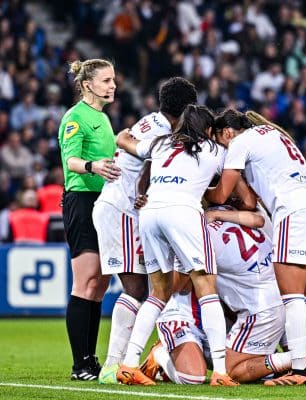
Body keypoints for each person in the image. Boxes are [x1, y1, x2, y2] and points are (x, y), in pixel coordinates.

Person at [139, 205, 306, 385]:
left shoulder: (201, 225)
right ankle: (160, 353)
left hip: (247, 307)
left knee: (239, 369)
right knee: (201, 375)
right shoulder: (240, 214)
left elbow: (183, 283)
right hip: (205, 309)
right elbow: (179, 287)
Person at [206, 110, 306, 385]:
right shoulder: (273, 134)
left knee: (292, 297)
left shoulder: (240, 143)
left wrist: (197, 191)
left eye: (219, 141)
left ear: (227, 133)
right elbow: (252, 200)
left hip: (295, 211)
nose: (222, 148)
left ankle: (301, 368)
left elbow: (220, 194)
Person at [114, 105, 239, 386]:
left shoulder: (159, 144)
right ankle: (220, 370)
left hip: (150, 212)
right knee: (207, 290)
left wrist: (123, 134)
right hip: (183, 212)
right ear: (208, 130)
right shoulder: (213, 150)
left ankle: (129, 364)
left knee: (158, 292)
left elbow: (123, 139)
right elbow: (230, 183)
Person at [94, 77, 198, 384]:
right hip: (123, 211)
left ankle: (122, 363)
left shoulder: (149, 121)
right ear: (187, 108)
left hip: (122, 208)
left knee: (144, 288)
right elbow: (150, 157)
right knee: (138, 289)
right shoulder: (164, 133)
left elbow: (123, 137)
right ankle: (113, 366)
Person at [58, 58, 122, 381]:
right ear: (87, 85)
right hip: (81, 201)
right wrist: (93, 166)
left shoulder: (103, 118)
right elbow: (70, 161)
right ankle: (79, 363)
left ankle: (90, 358)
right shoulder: (75, 118)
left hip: (104, 202)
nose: (113, 86)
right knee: (85, 282)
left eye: (113, 80)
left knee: (100, 283)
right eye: (106, 81)